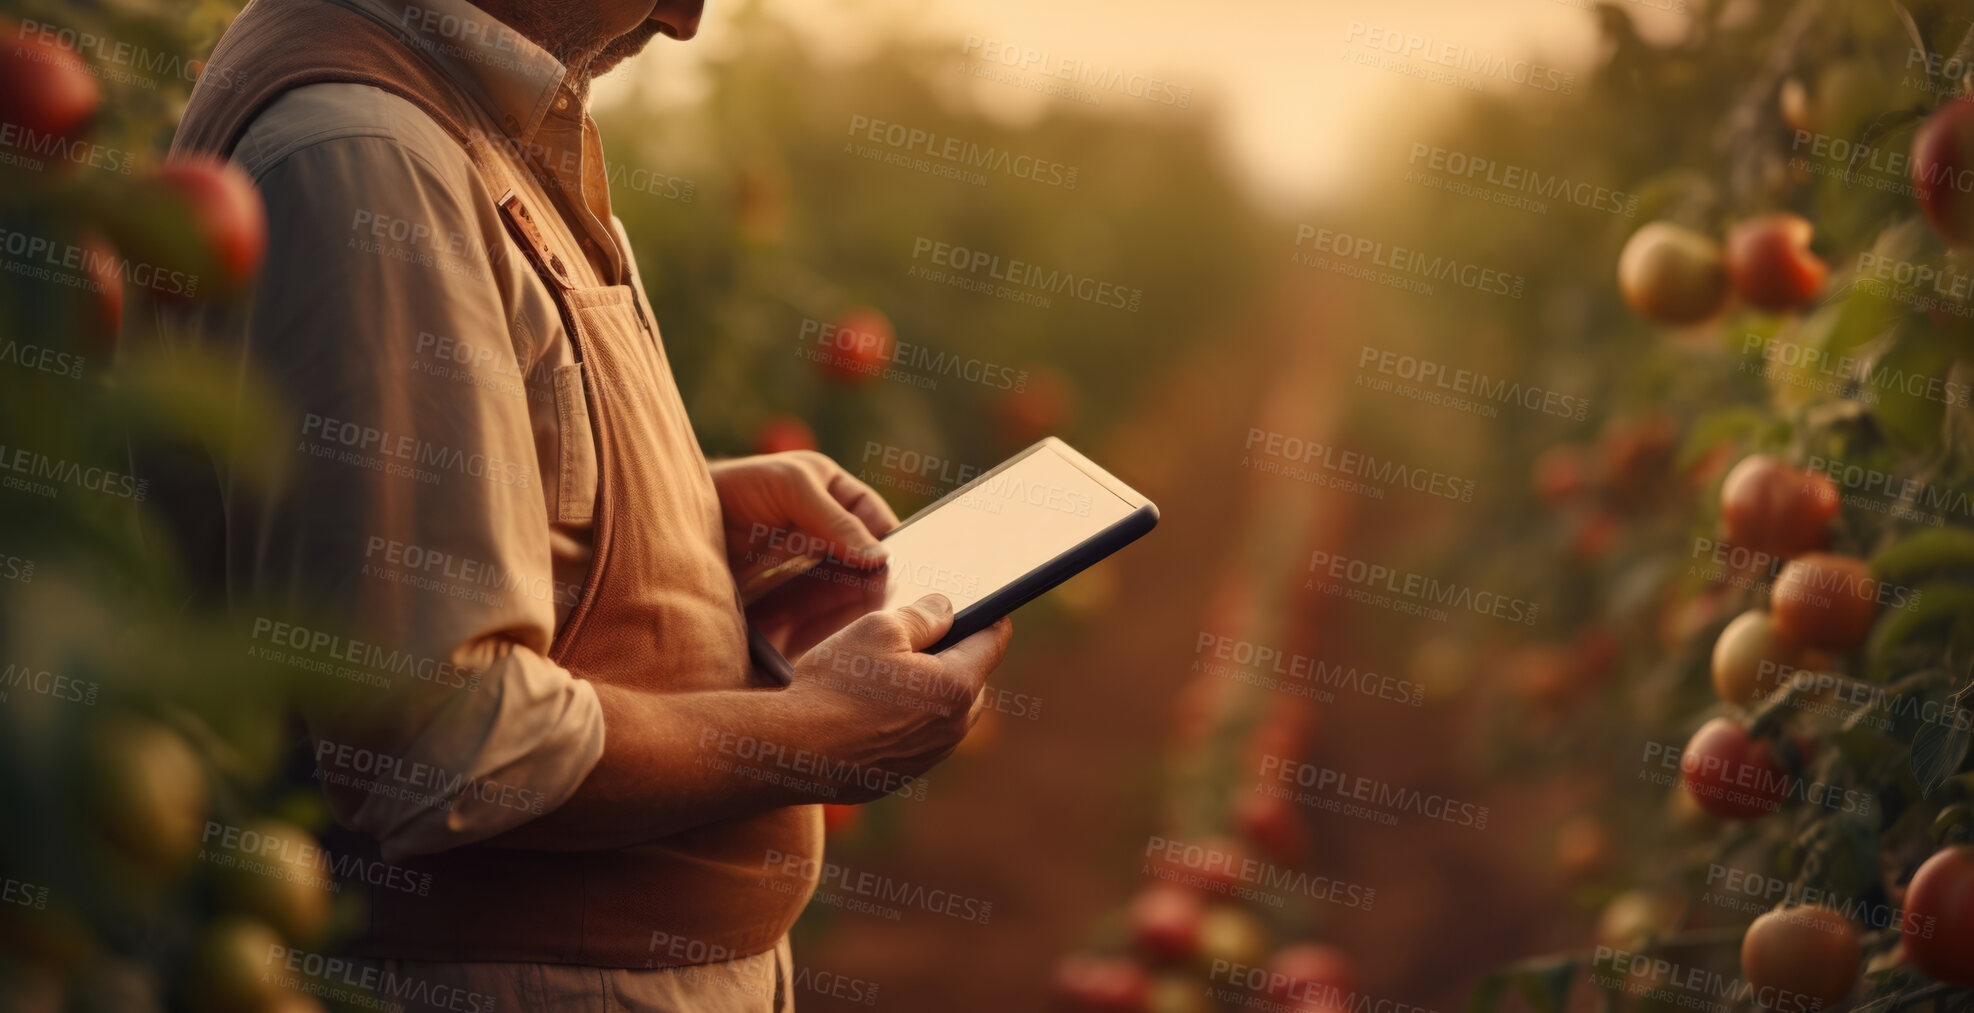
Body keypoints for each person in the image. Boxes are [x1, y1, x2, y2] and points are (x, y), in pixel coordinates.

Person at [142, 0, 1012, 1008]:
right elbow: (442, 739)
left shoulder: (472, 115)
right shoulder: (375, 155)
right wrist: (821, 731)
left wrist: (684, 507)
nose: (685, 18)